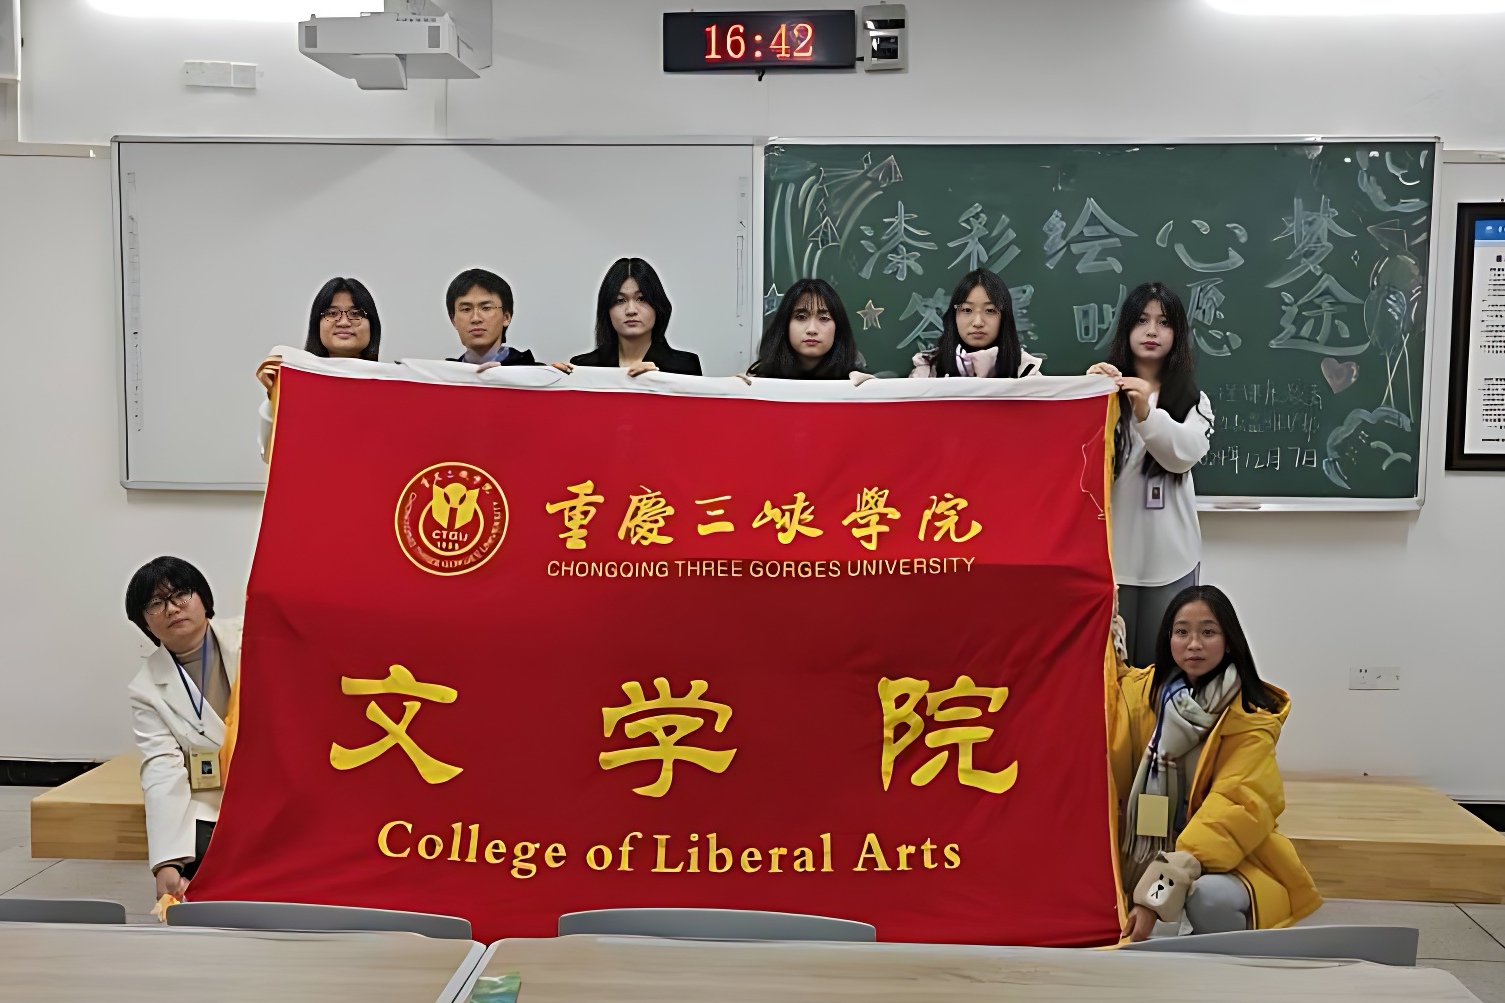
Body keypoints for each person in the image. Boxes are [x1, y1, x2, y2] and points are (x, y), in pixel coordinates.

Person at [1112, 585, 1319, 940]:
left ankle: (1221, 960)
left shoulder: (1250, 717)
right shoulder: (1143, 693)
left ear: (1229, 641)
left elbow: (1236, 805)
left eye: (1208, 632)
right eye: (1182, 632)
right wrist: (1108, 620)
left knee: (1209, 900)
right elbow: (1100, 682)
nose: (1194, 644)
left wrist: (1155, 894)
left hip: (1229, 858)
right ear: (1168, 639)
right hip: (1153, 852)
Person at [1087, 282, 1213, 667]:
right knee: (1112, 673)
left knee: (1165, 671)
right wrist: (1085, 395)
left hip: (1172, 559)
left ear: (1178, 334)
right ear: (1126, 328)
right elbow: (1078, 462)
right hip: (1110, 560)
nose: (1152, 331)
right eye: (1141, 320)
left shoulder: (1193, 400)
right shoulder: (1103, 392)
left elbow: (1184, 454)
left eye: (1164, 322)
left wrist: (1145, 412)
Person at [124, 556, 242, 903]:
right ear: (144, 622)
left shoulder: (252, 635)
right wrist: (166, 863)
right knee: (201, 851)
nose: (172, 608)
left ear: (203, 598)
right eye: (156, 603)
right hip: (219, 798)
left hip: (285, 782)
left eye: (181, 594)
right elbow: (162, 769)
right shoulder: (146, 689)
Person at [253, 276, 383, 461]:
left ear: (373, 325)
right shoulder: (297, 386)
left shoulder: (393, 388)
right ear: (317, 324)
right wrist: (274, 396)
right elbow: (270, 455)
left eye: (356, 313)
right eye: (332, 313)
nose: (344, 321)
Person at [560, 257, 701, 376]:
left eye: (642, 298)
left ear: (658, 305)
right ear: (606, 309)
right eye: (620, 300)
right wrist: (553, 380)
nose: (631, 310)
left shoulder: (685, 366)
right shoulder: (583, 367)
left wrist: (658, 379)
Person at [908, 269, 1042, 379]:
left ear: (1004, 317)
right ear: (954, 316)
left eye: (990, 310)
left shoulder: (1027, 372)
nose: (978, 322)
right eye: (967, 310)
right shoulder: (926, 373)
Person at [747, 278, 863, 380]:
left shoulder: (854, 382)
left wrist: (867, 390)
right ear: (785, 324)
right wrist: (742, 390)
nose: (812, 330)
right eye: (801, 317)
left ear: (838, 328)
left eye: (824, 318)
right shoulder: (761, 382)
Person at [444, 267, 540, 368]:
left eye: (486, 308)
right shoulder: (445, 375)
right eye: (466, 309)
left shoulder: (534, 373)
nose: (476, 318)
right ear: (453, 320)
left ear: (506, 317)